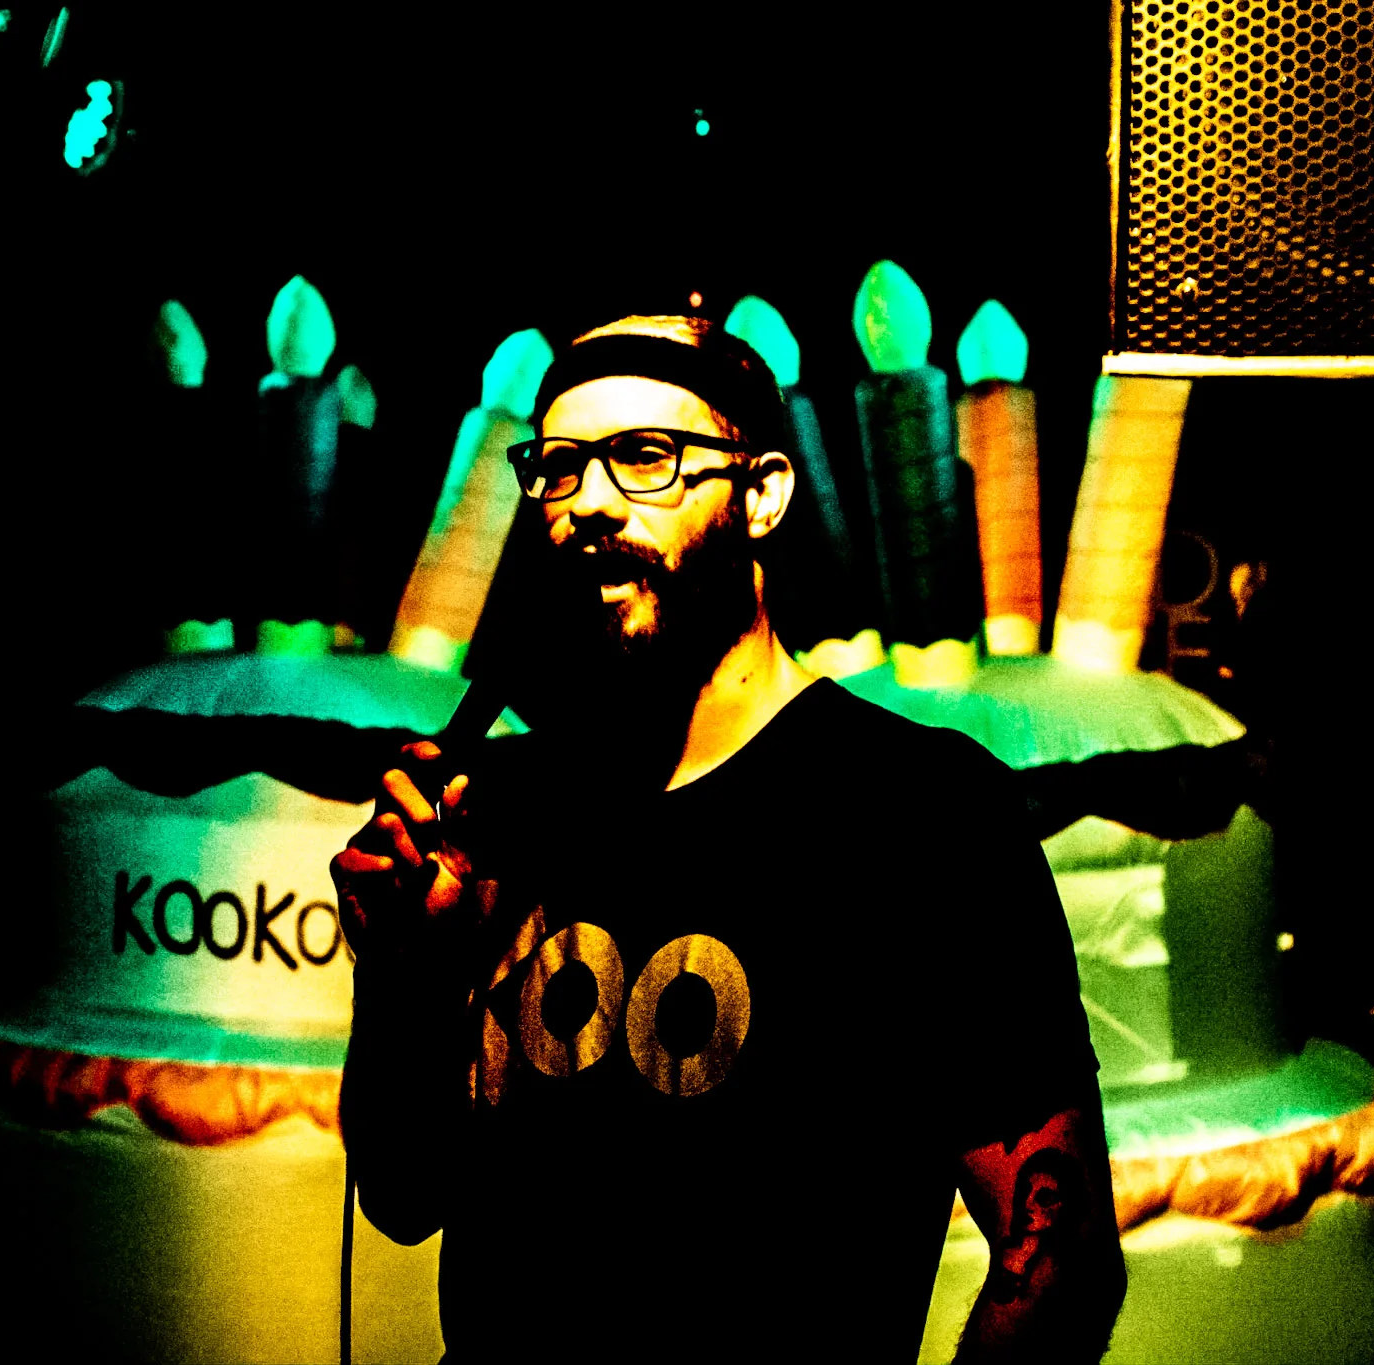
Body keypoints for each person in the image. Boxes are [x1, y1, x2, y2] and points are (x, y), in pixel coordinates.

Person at [333, 316, 1125, 1362]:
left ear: (762, 496)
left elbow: (1059, 1259)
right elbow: (402, 1193)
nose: (589, 501)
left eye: (643, 457)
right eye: (558, 467)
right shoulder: (497, 805)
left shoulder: (919, 811)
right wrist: (401, 973)